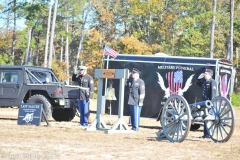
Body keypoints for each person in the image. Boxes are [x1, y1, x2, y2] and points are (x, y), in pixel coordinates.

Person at [196, 68, 217, 138]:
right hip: (204, 103)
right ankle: (205, 134)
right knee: (205, 119)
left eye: (206, 74)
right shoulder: (205, 82)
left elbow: (213, 94)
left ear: (210, 75)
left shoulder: (212, 82)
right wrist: (199, 78)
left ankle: (209, 134)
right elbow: (197, 84)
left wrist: (211, 103)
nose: (204, 75)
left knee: (209, 119)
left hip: (209, 103)